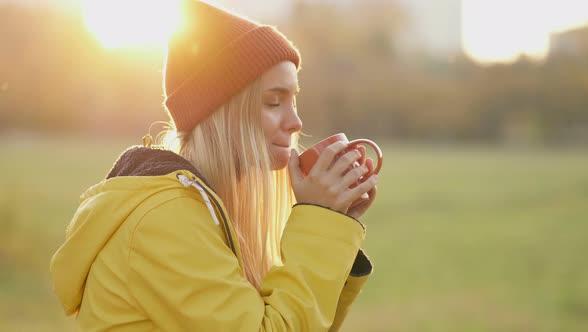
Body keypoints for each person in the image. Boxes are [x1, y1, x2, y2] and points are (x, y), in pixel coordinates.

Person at [50, 1, 378, 331]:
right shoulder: (164, 220)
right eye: (273, 102)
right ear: (222, 114)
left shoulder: (204, 211)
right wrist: (320, 222)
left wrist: (335, 226)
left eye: (294, 101)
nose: (295, 122)